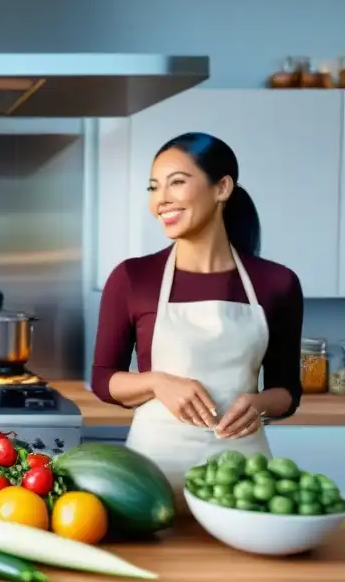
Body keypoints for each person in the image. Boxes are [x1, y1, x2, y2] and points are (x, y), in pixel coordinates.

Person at [92, 132, 303, 498]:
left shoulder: (277, 283)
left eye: (177, 183)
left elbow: (287, 391)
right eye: (154, 187)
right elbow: (103, 379)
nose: (162, 199)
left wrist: (260, 404)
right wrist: (157, 382)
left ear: (221, 188)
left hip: (246, 480)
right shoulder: (132, 278)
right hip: (152, 478)